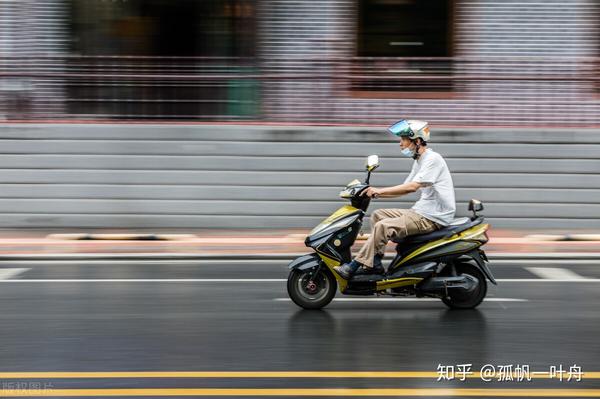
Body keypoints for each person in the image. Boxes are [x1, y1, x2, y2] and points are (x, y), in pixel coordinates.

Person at [333, 119, 456, 279]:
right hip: (422, 211)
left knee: (383, 227)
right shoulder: (420, 160)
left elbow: (412, 187)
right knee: (378, 215)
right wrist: (375, 192)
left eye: (403, 139)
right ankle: (375, 264)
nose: (400, 144)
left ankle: (354, 266)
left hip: (433, 217)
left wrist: (379, 191)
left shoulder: (433, 159)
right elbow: (405, 188)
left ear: (417, 141)